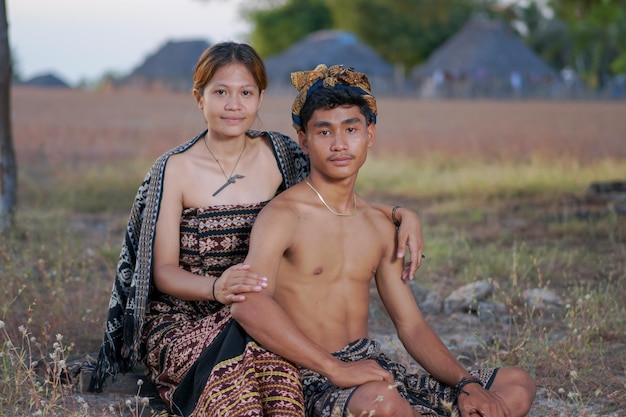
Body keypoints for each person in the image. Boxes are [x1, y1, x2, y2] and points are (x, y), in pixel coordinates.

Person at [89, 43, 425, 417]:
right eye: (221, 92)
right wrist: (217, 288)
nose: (234, 105)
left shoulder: (280, 153)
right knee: (254, 377)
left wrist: (398, 213)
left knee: (284, 360)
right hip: (188, 316)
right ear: (198, 97)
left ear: (260, 97)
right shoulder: (176, 169)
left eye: (245, 92)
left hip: (258, 306)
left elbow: (330, 200)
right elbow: (163, 272)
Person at [231, 64, 537, 417]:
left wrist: (465, 383)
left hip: (371, 368)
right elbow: (248, 304)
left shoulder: (377, 225)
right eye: (324, 131)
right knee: (383, 402)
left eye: (351, 129)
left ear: (370, 135)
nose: (340, 144)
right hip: (312, 375)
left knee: (516, 383)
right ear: (304, 140)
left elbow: (411, 325)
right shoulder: (283, 216)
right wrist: (335, 368)